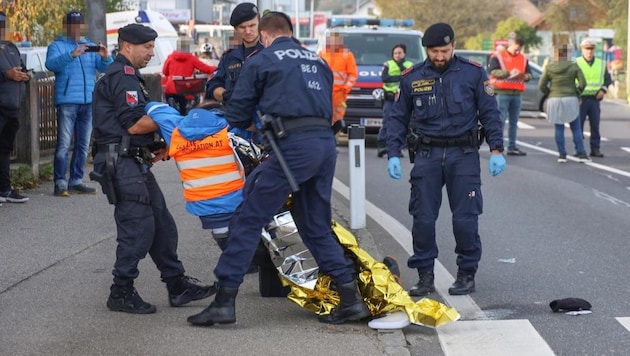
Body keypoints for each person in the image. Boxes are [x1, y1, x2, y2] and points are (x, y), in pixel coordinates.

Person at [187, 11, 370, 327]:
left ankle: (224, 301)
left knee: (247, 219)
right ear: (290, 32)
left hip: (292, 148)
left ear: (267, 34)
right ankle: (350, 298)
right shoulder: (318, 62)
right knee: (314, 224)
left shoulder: (262, 60)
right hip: (324, 146)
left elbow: (239, 115)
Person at [91, 23, 214, 314]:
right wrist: (176, 124)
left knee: (161, 223)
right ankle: (120, 291)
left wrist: (157, 142)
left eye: (152, 47)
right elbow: (135, 122)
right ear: (127, 46)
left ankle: (177, 285)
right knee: (138, 227)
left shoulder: (130, 76)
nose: (151, 53)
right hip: (120, 162)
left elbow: (134, 126)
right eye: (146, 47)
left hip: (132, 158)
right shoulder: (122, 76)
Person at [386, 23, 506, 297]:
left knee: (465, 219)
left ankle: (466, 274)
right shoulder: (411, 77)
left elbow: (490, 113)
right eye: (434, 51)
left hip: (462, 155)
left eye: (445, 50)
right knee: (423, 219)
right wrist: (393, 153)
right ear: (426, 50)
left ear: (454, 46)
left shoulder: (472, 73)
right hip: (427, 155)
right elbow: (397, 119)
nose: (440, 56)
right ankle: (425, 276)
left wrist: (496, 150)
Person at [46, 10, 113, 197]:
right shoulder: (57, 46)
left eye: (79, 24)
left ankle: (76, 180)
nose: (76, 28)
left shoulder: (90, 46)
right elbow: (51, 65)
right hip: (67, 101)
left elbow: (106, 69)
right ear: (66, 27)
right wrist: (71, 54)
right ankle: (60, 182)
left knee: (83, 144)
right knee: (64, 144)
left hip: (88, 102)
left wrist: (105, 56)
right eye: (72, 25)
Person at [205, 2, 264, 106]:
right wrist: (226, 95)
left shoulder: (270, 52)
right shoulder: (229, 56)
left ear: (259, 22)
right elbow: (213, 85)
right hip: (234, 115)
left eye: (252, 25)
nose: (248, 31)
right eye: (242, 27)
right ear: (236, 29)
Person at [538, 45, 588, 163]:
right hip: (571, 98)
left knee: (559, 127)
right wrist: (577, 92)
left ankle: (562, 155)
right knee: (576, 128)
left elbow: (541, 85)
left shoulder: (549, 67)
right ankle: (581, 153)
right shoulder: (573, 66)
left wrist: (550, 93)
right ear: (567, 54)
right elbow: (583, 83)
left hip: (554, 99)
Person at [0, 11, 30, 204]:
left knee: (4, 150)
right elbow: (7, 74)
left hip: (12, 108)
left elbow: (22, 69)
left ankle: (4, 190)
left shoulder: (11, 48)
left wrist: (25, 76)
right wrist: (6, 75)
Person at [488, 37, 533, 156]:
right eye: (516, 49)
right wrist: (508, 72)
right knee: (500, 121)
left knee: (514, 122)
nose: (517, 52)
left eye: (519, 50)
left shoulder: (523, 58)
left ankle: (512, 147)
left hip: (517, 93)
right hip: (502, 93)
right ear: (510, 45)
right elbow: (492, 71)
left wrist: (523, 76)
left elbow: (529, 74)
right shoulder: (498, 56)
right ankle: (498, 147)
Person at [576, 38, 612, 158]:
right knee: (578, 125)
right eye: (587, 49)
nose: (589, 52)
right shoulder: (576, 63)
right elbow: (571, 81)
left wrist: (603, 90)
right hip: (580, 99)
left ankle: (595, 149)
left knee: (595, 125)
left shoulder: (601, 64)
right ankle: (579, 149)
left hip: (594, 99)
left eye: (591, 49)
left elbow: (607, 79)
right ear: (582, 50)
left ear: (594, 50)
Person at [377, 44, 413, 157]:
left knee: (401, 123)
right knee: (387, 122)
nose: (397, 55)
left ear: (404, 54)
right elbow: (385, 78)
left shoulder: (409, 65)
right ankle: (382, 146)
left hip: (402, 98)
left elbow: (410, 78)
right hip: (390, 98)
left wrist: (401, 66)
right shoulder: (388, 64)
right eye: (395, 53)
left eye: (400, 53)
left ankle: (398, 148)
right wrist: (400, 76)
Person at [161, 42, 216, 115]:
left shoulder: (170, 57)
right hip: (185, 88)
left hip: (171, 88)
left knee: (171, 111)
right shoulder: (191, 58)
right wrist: (217, 68)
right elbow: (205, 69)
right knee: (184, 111)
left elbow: (165, 72)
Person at [317, 31, 358, 130]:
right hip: (323, 92)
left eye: (336, 40)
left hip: (339, 94)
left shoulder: (347, 55)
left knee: (337, 119)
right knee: (322, 116)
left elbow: (353, 74)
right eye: (332, 40)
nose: (334, 43)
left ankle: (335, 139)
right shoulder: (321, 53)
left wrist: (345, 88)